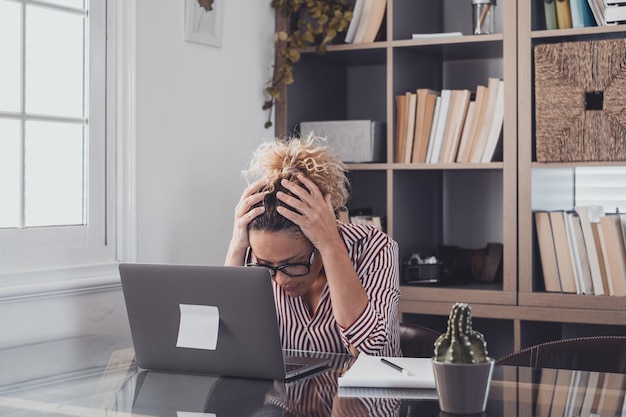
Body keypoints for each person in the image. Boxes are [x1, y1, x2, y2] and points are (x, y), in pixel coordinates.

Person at [225, 134, 401, 357]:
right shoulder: (253, 257)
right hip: (286, 392)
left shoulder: (374, 248)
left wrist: (330, 244)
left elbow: (368, 349)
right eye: (266, 266)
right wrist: (237, 246)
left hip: (366, 393)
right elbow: (225, 347)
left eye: (293, 263)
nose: (281, 280)